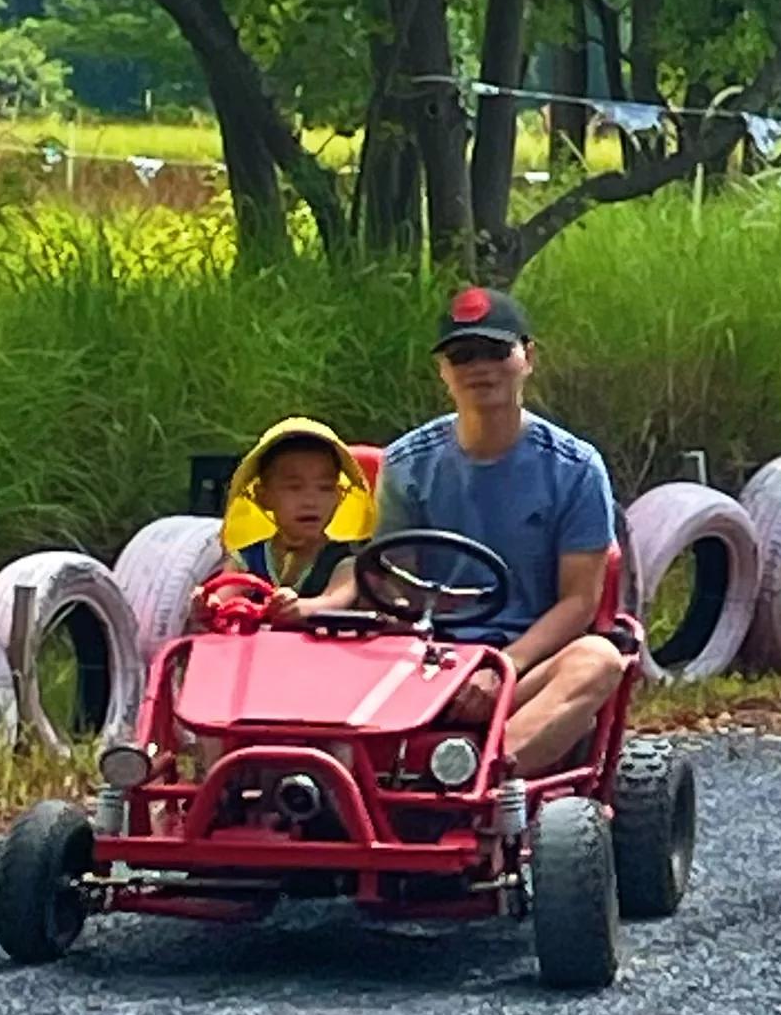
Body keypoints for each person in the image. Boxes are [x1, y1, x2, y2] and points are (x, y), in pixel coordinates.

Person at [331, 287, 627, 778]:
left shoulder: (575, 468)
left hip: (523, 665)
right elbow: (394, 587)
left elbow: (579, 602)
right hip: (420, 658)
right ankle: (317, 787)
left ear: (527, 358)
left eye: (495, 351)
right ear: (443, 372)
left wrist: (499, 668)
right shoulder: (407, 464)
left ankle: (476, 777)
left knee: (598, 660)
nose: (479, 368)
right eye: (462, 355)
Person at [222, 420, 370, 602]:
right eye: (294, 487)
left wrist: (303, 609)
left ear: (339, 497)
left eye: (325, 488)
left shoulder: (345, 560)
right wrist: (207, 606)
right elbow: (223, 596)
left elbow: (334, 600)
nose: (311, 501)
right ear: (262, 496)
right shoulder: (247, 560)